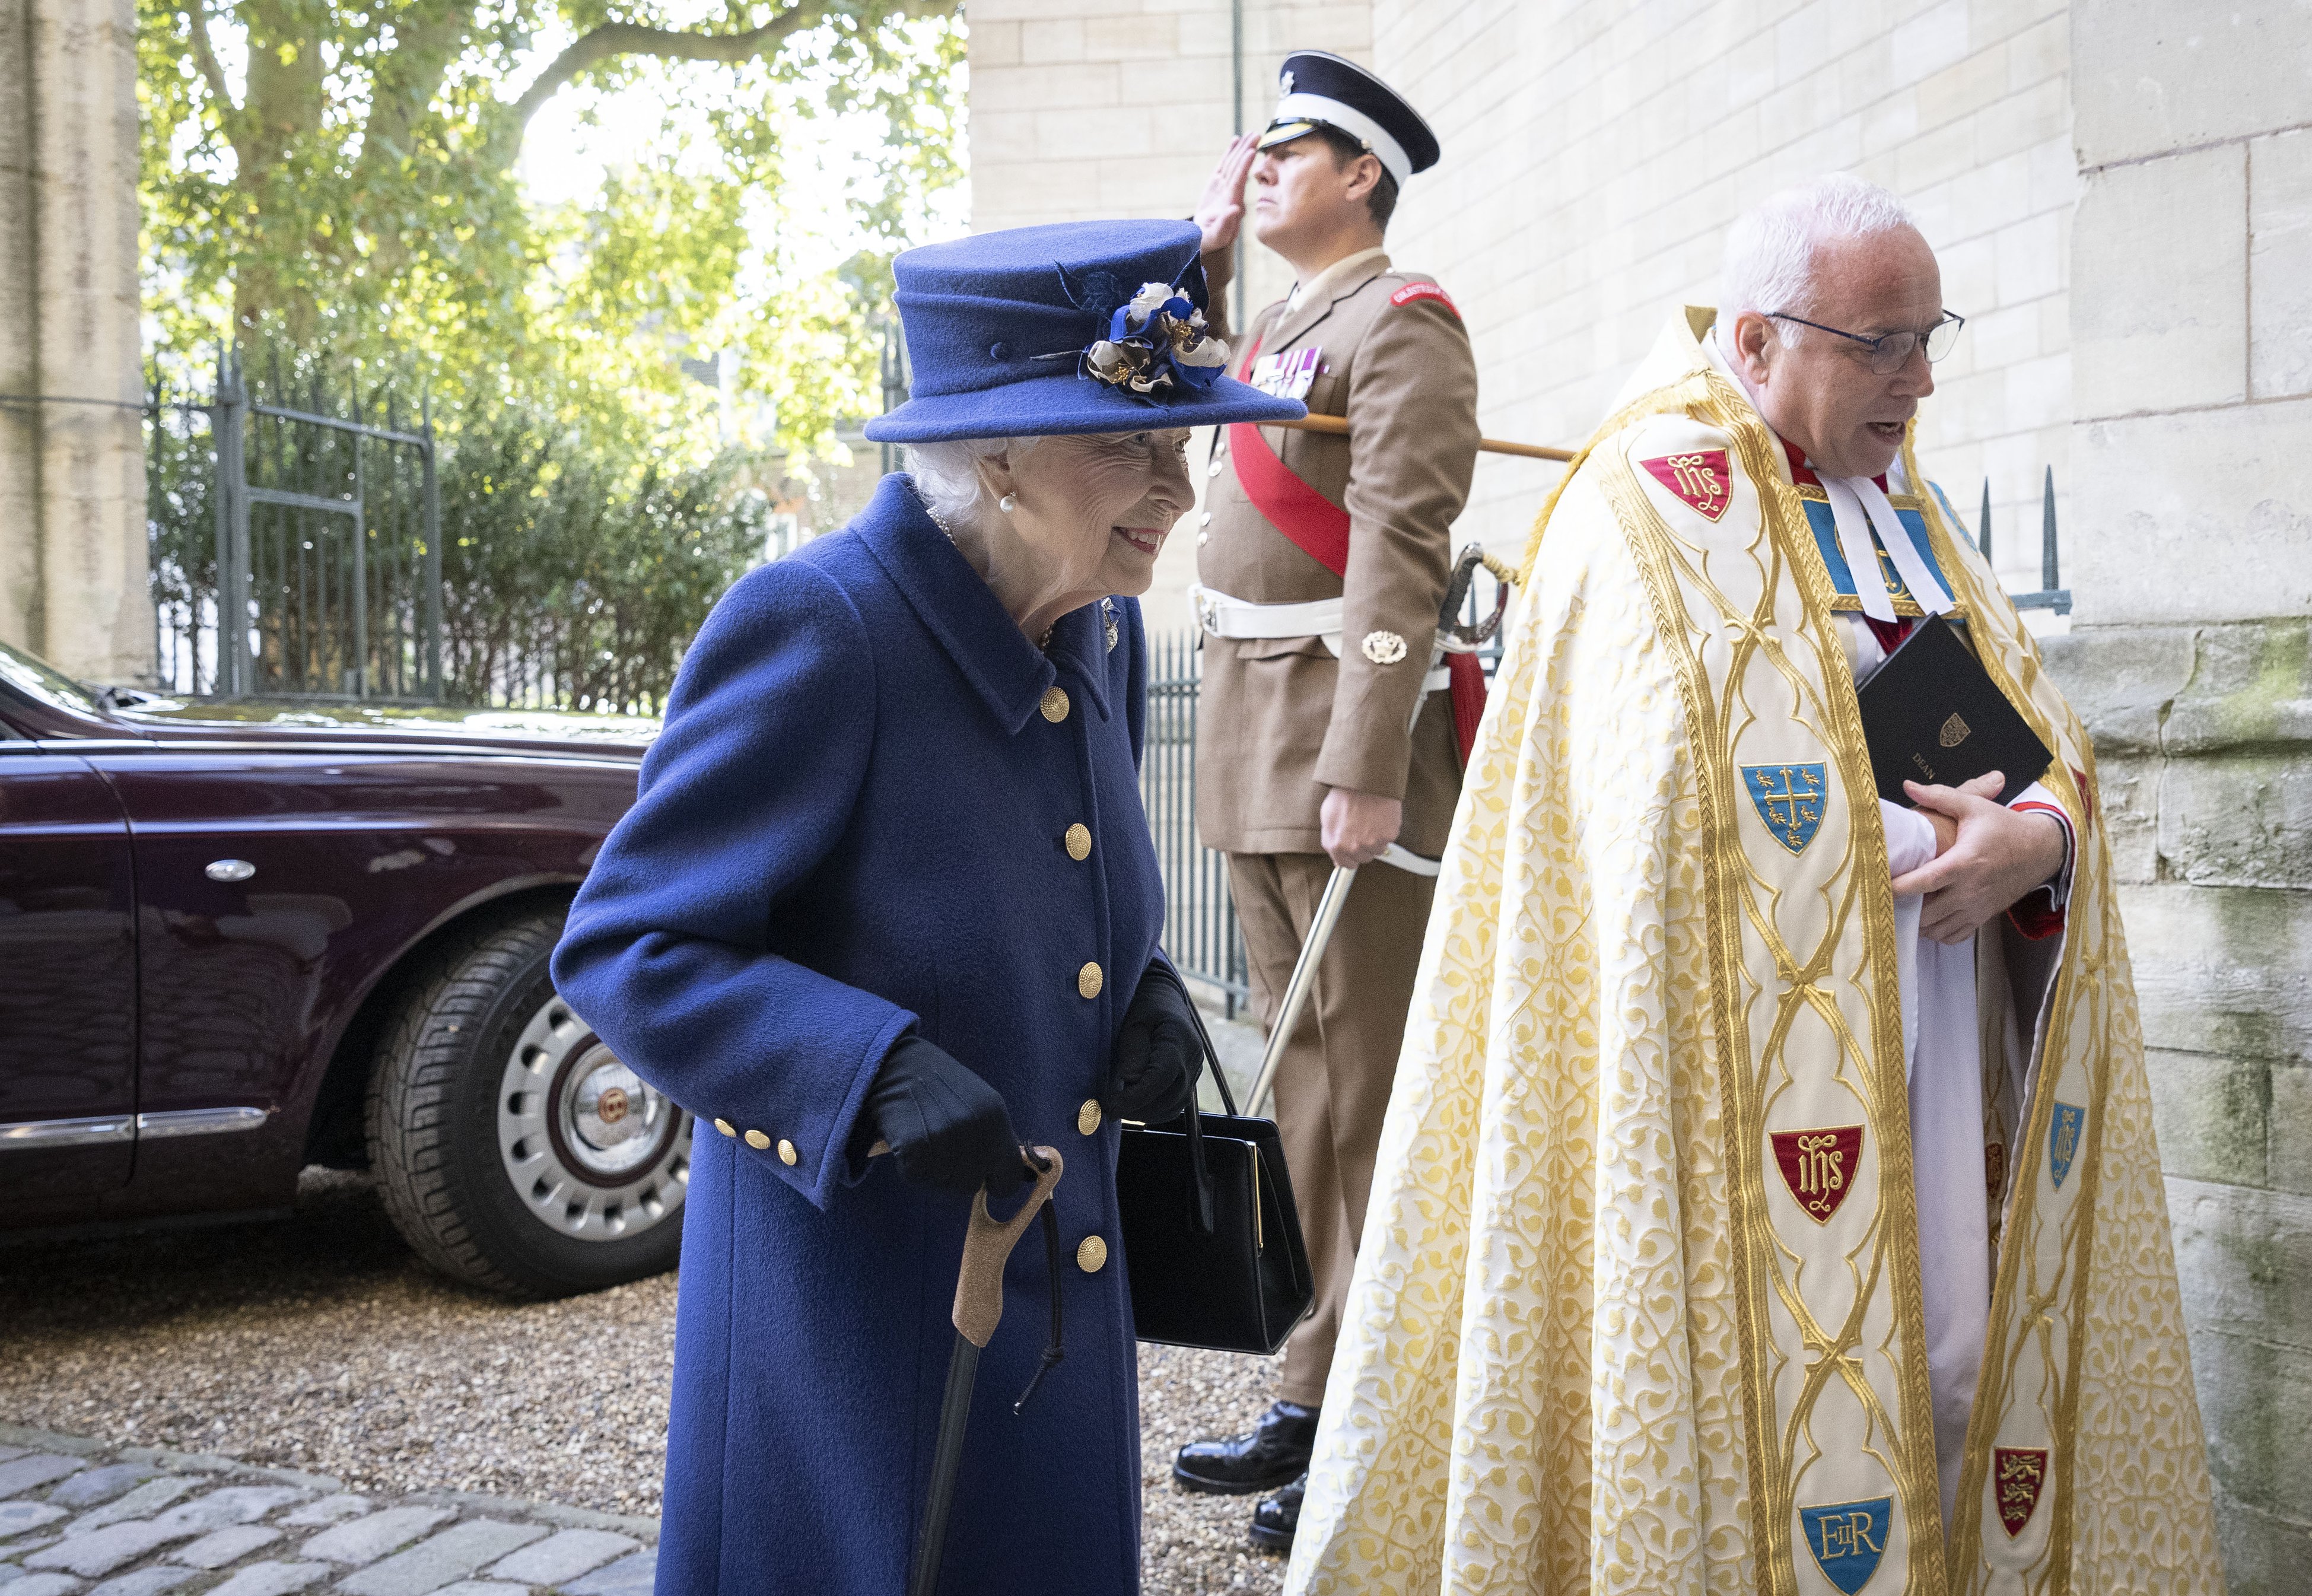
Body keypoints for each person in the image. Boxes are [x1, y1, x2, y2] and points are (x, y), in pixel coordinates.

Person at [1285, 176, 2224, 1592]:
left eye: (1928, 336)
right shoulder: (1637, 506)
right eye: (1878, 344)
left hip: (1946, 1026)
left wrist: (2035, 834)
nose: (1916, 378)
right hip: (1728, 1091)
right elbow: (1661, 816)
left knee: (1953, 1358)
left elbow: (2039, 733)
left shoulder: (1901, 501)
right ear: (1752, 341)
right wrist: (1922, 847)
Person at [551, 220, 1305, 1595]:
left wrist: (1139, 985)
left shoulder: (1100, 623)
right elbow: (626, 944)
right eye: (1130, 446)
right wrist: (864, 1064)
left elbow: (1061, 876)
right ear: (997, 454)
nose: (1179, 490)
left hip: (1052, 1308)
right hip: (861, 1329)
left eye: (1183, 443)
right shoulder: (822, 625)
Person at [1170, 50, 1482, 1555]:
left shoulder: (1402, 320)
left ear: (1361, 173)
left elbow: (1397, 548)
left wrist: (1365, 760)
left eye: (1285, 151)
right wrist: (1201, 249)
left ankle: (1382, 1405)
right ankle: (1316, 1374)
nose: (1261, 167)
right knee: (1303, 1079)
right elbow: (1140, 374)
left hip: (1339, 749)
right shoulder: (1271, 324)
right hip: (1248, 735)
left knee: (1371, 1090)